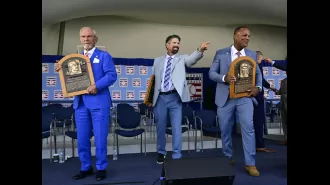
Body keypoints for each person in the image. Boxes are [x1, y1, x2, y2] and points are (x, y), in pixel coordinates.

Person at [55, 27, 117, 181]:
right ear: (80, 38)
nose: (86, 39)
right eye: (83, 36)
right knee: (82, 139)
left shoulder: (104, 56)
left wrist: (97, 85)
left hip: (99, 103)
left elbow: (111, 75)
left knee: (100, 139)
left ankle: (101, 168)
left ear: (95, 39)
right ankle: (86, 167)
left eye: (89, 36)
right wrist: (61, 69)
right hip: (80, 104)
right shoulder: (74, 59)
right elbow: (71, 80)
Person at [209, 26, 262, 177]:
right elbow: (211, 74)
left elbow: (258, 76)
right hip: (225, 98)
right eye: (244, 35)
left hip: (245, 98)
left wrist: (258, 87)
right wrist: (224, 78)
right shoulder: (221, 53)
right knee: (225, 129)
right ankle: (227, 157)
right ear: (235, 36)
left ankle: (250, 163)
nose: (247, 38)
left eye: (249, 36)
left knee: (248, 128)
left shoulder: (251, 54)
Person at [152, 34, 210, 164]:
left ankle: (177, 154)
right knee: (160, 127)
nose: (177, 45)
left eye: (178, 43)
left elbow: (191, 60)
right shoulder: (157, 60)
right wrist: (150, 98)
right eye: (174, 42)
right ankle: (161, 152)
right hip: (160, 98)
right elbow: (153, 80)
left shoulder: (182, 58)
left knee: (177, 127)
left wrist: (200, 50)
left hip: (175, 98)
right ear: (167, 45)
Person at [254, 51, 276, 153]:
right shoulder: (256, 67)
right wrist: (272, 88)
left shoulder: (255, 67)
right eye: (261, 59)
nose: (262, 61)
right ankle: (260, 145)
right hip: (257, 98)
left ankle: (259, 144)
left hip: (256, 98)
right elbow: (261, 81)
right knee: (259, 122)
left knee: (258, 122)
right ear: (257, 58)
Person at [275, 75, 287, 145]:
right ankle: (286, 139)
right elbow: (280, 92)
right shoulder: (283, 81)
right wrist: (275, 90)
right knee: (284, 122)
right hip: (282, 104)